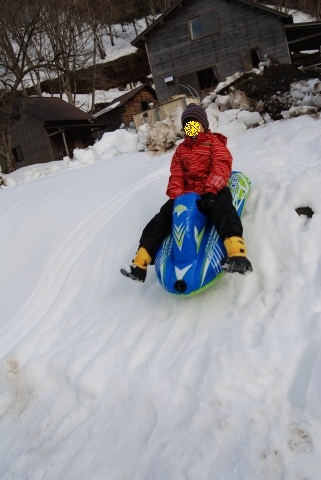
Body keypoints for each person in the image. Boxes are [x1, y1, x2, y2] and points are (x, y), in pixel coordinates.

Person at [121, 103, 252, 283]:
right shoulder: (181, 150)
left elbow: (221, 166)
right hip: (187, 196)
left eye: (195, 124)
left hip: (212, 191)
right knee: (161, 219)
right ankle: (140, 263)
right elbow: (177, 174)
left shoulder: (214, 142)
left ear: (203, 125)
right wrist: (177, 197)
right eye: (188, 125)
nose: (191, 129)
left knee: (224, 210)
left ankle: (237, 253)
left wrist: (212, 191)